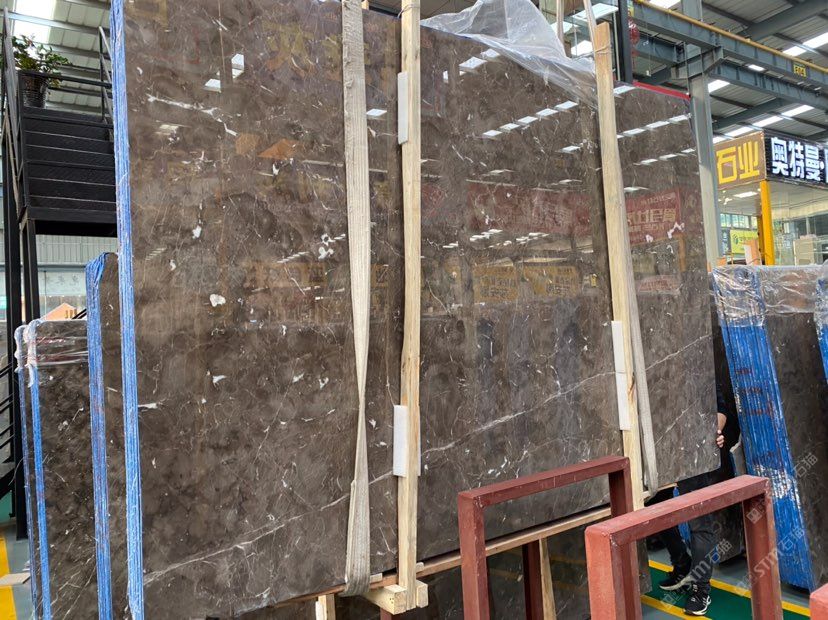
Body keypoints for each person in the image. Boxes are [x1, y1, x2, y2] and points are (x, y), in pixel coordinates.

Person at [657, 408, 739, 616]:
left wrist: (713, 432)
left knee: (698, 520)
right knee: (657, 509)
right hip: (659, 446)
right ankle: (682, 564)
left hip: (692, 448)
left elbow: (720, 408)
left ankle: (700, 589)